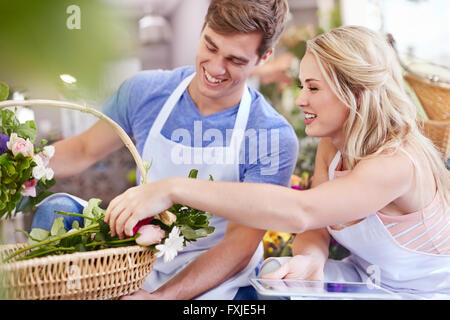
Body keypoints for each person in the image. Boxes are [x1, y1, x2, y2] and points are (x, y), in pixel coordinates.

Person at [106, 25, 450, 299]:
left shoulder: (396, 163)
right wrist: (309, 260)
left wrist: (173, 189)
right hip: (364, 281)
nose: (300, 100)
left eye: (313, 88)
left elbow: (302, 211)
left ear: (355, 93)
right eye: (302, 86)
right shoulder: (333, 148)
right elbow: (314, 228)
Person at [32, 0, 298, 300]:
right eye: (210, 47)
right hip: (141, 259)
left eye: (235, 60)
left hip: (220, 282)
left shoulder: (272, 135)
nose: (215, 68)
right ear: (202, 30)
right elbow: (82, 149)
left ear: (264, 58)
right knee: (59, 209)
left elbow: (240, 242)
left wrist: (162, 298)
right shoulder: (146, 92)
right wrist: (23, 164)